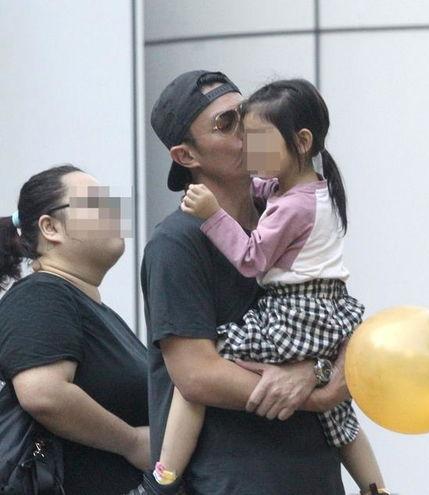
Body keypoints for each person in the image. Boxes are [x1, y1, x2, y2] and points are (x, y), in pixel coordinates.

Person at [133, 70, 373, 495]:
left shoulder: (284, 211)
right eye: (227, 123)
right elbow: (195, 375)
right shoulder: (176, 243)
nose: (247, 131)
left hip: (315, 475)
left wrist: (317, 370)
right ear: (186, 155)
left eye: (246, 116)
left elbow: (334, 319)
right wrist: (316, 393)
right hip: (234, 480)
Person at [0, 165, 150, 494]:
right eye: (95, 203)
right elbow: (43, 393)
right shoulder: (41, 294)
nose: (114, 213)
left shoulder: (93, 310)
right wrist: (133, 442)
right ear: (51, 227)